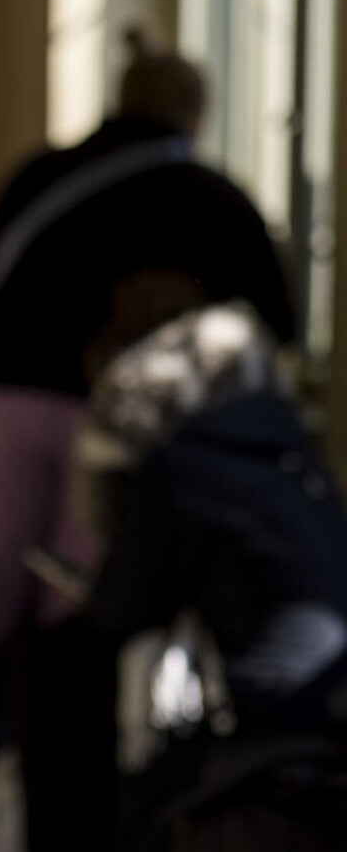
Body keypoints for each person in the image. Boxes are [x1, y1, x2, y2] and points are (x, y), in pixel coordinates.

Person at [0, 28, 296, 848]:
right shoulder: (209, 194)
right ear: (194, 112)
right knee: (77, 612)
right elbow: (273, 328)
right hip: (104, 420)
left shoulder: (41, 171)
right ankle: (43, 800)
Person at [78, 301, 347, 850]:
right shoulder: (294, 459)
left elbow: (120, 610)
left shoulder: (181, 468)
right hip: (321, 711)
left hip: (261, 737)